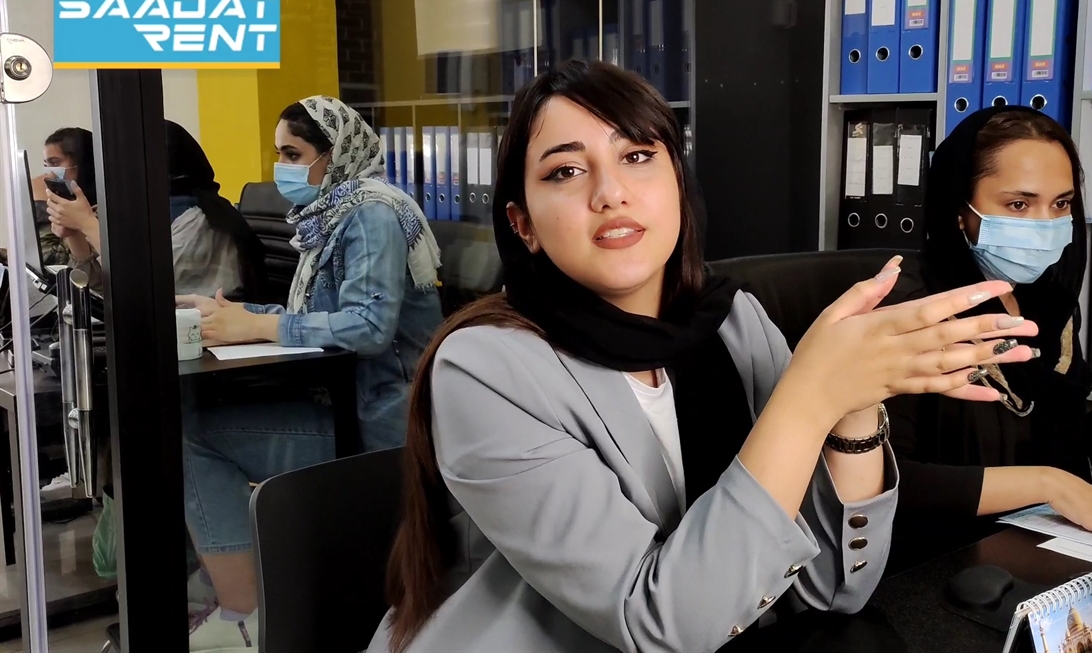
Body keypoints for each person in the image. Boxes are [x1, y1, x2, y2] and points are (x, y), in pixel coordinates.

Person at [372, 60, 1042, 653]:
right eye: (566, 171)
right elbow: (661, 627)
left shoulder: (731, 324)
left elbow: (833, 587)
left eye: (638, 155)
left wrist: (854, 405)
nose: (610, 192)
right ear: (524, 226)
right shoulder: (485, 369)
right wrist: (811, 395)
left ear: (677, 183)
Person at [886, 106, 1092, 566]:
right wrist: (1047, 484)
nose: (1046, 225)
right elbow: (883, 481)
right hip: (936, 561)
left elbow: (1042, 437)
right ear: (959, 210)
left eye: (1061, 204)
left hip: (1032, 540)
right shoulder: (905, 311)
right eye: (1018, 205)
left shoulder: (1046, 302)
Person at [179, 95, 445, 651]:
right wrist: (234, 315)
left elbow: (368, 326)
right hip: (342, 400)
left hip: (379, 423)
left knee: (194, 434)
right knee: (194, 415)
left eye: (293, 154)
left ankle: (243, 612)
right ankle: (233, 582)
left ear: (335, 154)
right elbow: (316, 315)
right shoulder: (333, 211)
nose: (282, 167)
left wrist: (259, 327)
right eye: (279, 153)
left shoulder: (371, 214)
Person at [46, 121, 269, 301]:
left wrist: (87, 224)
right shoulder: (147, 213)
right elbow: (101, 287)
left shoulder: (197, 220)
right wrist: (74, 233)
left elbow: (141, 289)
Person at [33, 127, 97, 267]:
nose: (49, 174)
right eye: (46, 165)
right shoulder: (69, 204)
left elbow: (51, 260)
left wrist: (41, 205)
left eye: (55, 163)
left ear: (83, 163)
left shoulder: (99, 212)